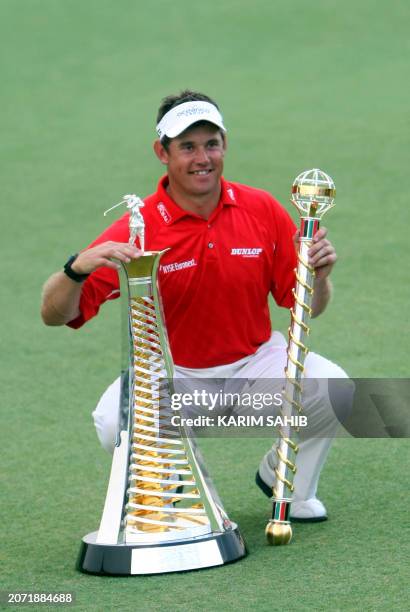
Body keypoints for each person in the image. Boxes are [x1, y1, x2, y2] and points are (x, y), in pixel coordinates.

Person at [41, 90, 353, 522]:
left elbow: (306, 308)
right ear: (162, 153)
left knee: (335, 389)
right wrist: (74, 270)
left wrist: (318, 276)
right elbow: (55, 315)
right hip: (174, 374)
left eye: (211, 144)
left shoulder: (261, 209)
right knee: (114, 421)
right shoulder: (138, 227)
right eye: (187, 147)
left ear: (224, 145)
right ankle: (168, 484)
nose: (201, 157)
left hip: (254, 364)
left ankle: (287, 483)